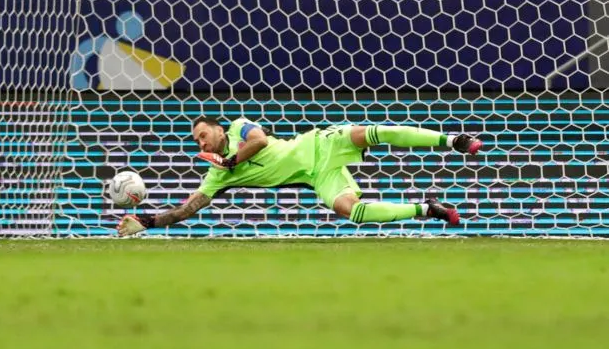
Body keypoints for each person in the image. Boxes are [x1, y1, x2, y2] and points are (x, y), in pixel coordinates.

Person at [117, 116, 483, 236]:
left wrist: (231, 161)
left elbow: (259, 141)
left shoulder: (239, 127)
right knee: (349, 210)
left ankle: (453, 139)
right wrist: (145, 220)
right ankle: (427, 209)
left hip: (319, 144)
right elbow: (187, 209)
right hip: (316, 174)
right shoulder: (218, 176)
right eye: (197, 139)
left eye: (203, 134)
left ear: (216, 129)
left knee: (372, 132)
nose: (201, 140)